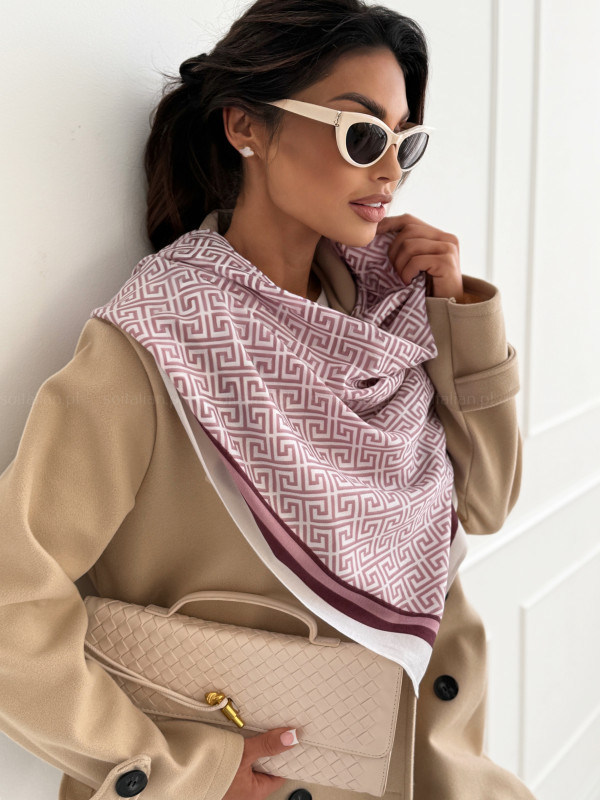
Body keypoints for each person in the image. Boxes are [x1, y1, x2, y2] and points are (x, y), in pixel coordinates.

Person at [0, 1, 536, 799]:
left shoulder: (386, 319)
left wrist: (461, 316)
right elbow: (12, 595)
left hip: (435, 765)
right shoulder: (160, 336)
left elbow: (488, 502)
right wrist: (174, 771)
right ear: (246, 126)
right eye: (362, 136)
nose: (389, 171)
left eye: (404, 142)